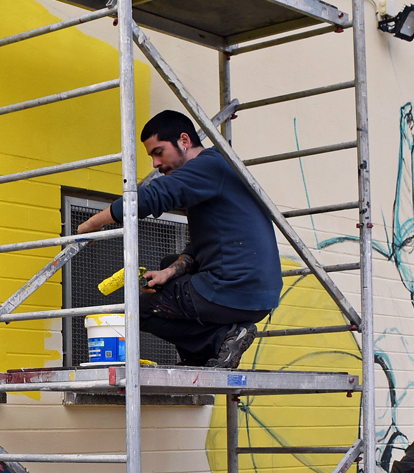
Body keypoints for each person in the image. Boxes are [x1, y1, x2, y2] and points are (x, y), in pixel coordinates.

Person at [75, 110, 281, 368]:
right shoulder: (218, 172)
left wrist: (92, 224)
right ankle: (215, 347)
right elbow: (203, 245)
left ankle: (220, 340)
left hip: (233, 290)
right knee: (169, 263)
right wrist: (169, 272)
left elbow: (149, 198)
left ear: (184, 140)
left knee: (139, 310)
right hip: (255, 296)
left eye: (158, 152)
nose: (155, 164)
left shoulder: (208, 166)